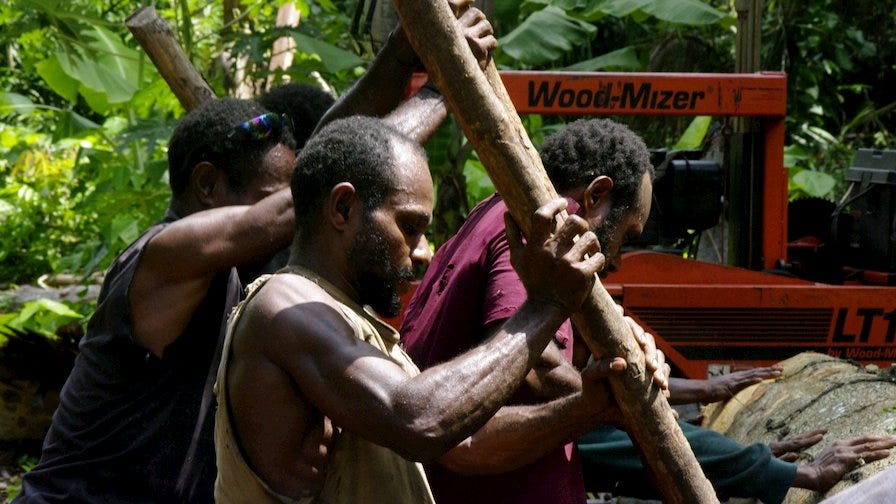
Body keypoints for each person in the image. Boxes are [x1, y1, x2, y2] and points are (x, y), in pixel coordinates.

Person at [14, 3, 495, 502]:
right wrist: (445, 88)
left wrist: (403, 52)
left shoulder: (246, 278)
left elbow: (328, 155)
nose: (300, 211)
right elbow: (308, 196)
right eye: (277, 196)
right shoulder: (163, 255)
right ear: (207, 185)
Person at [399, 117, 896, 504]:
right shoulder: (546, 228)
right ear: (595, 196)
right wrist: (770, 469)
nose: (615, 260)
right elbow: (544, 376)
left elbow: (568, 392)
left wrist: (726, 441)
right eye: (626, 237)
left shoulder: (492, 211)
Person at [212, 115, 667, 503]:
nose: (423, 252)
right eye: (408, 226)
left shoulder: (352, 324)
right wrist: (546, 305)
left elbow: (464, 443)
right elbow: (419, 421)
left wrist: (591, 406)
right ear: (343, 208)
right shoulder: (286, 307)